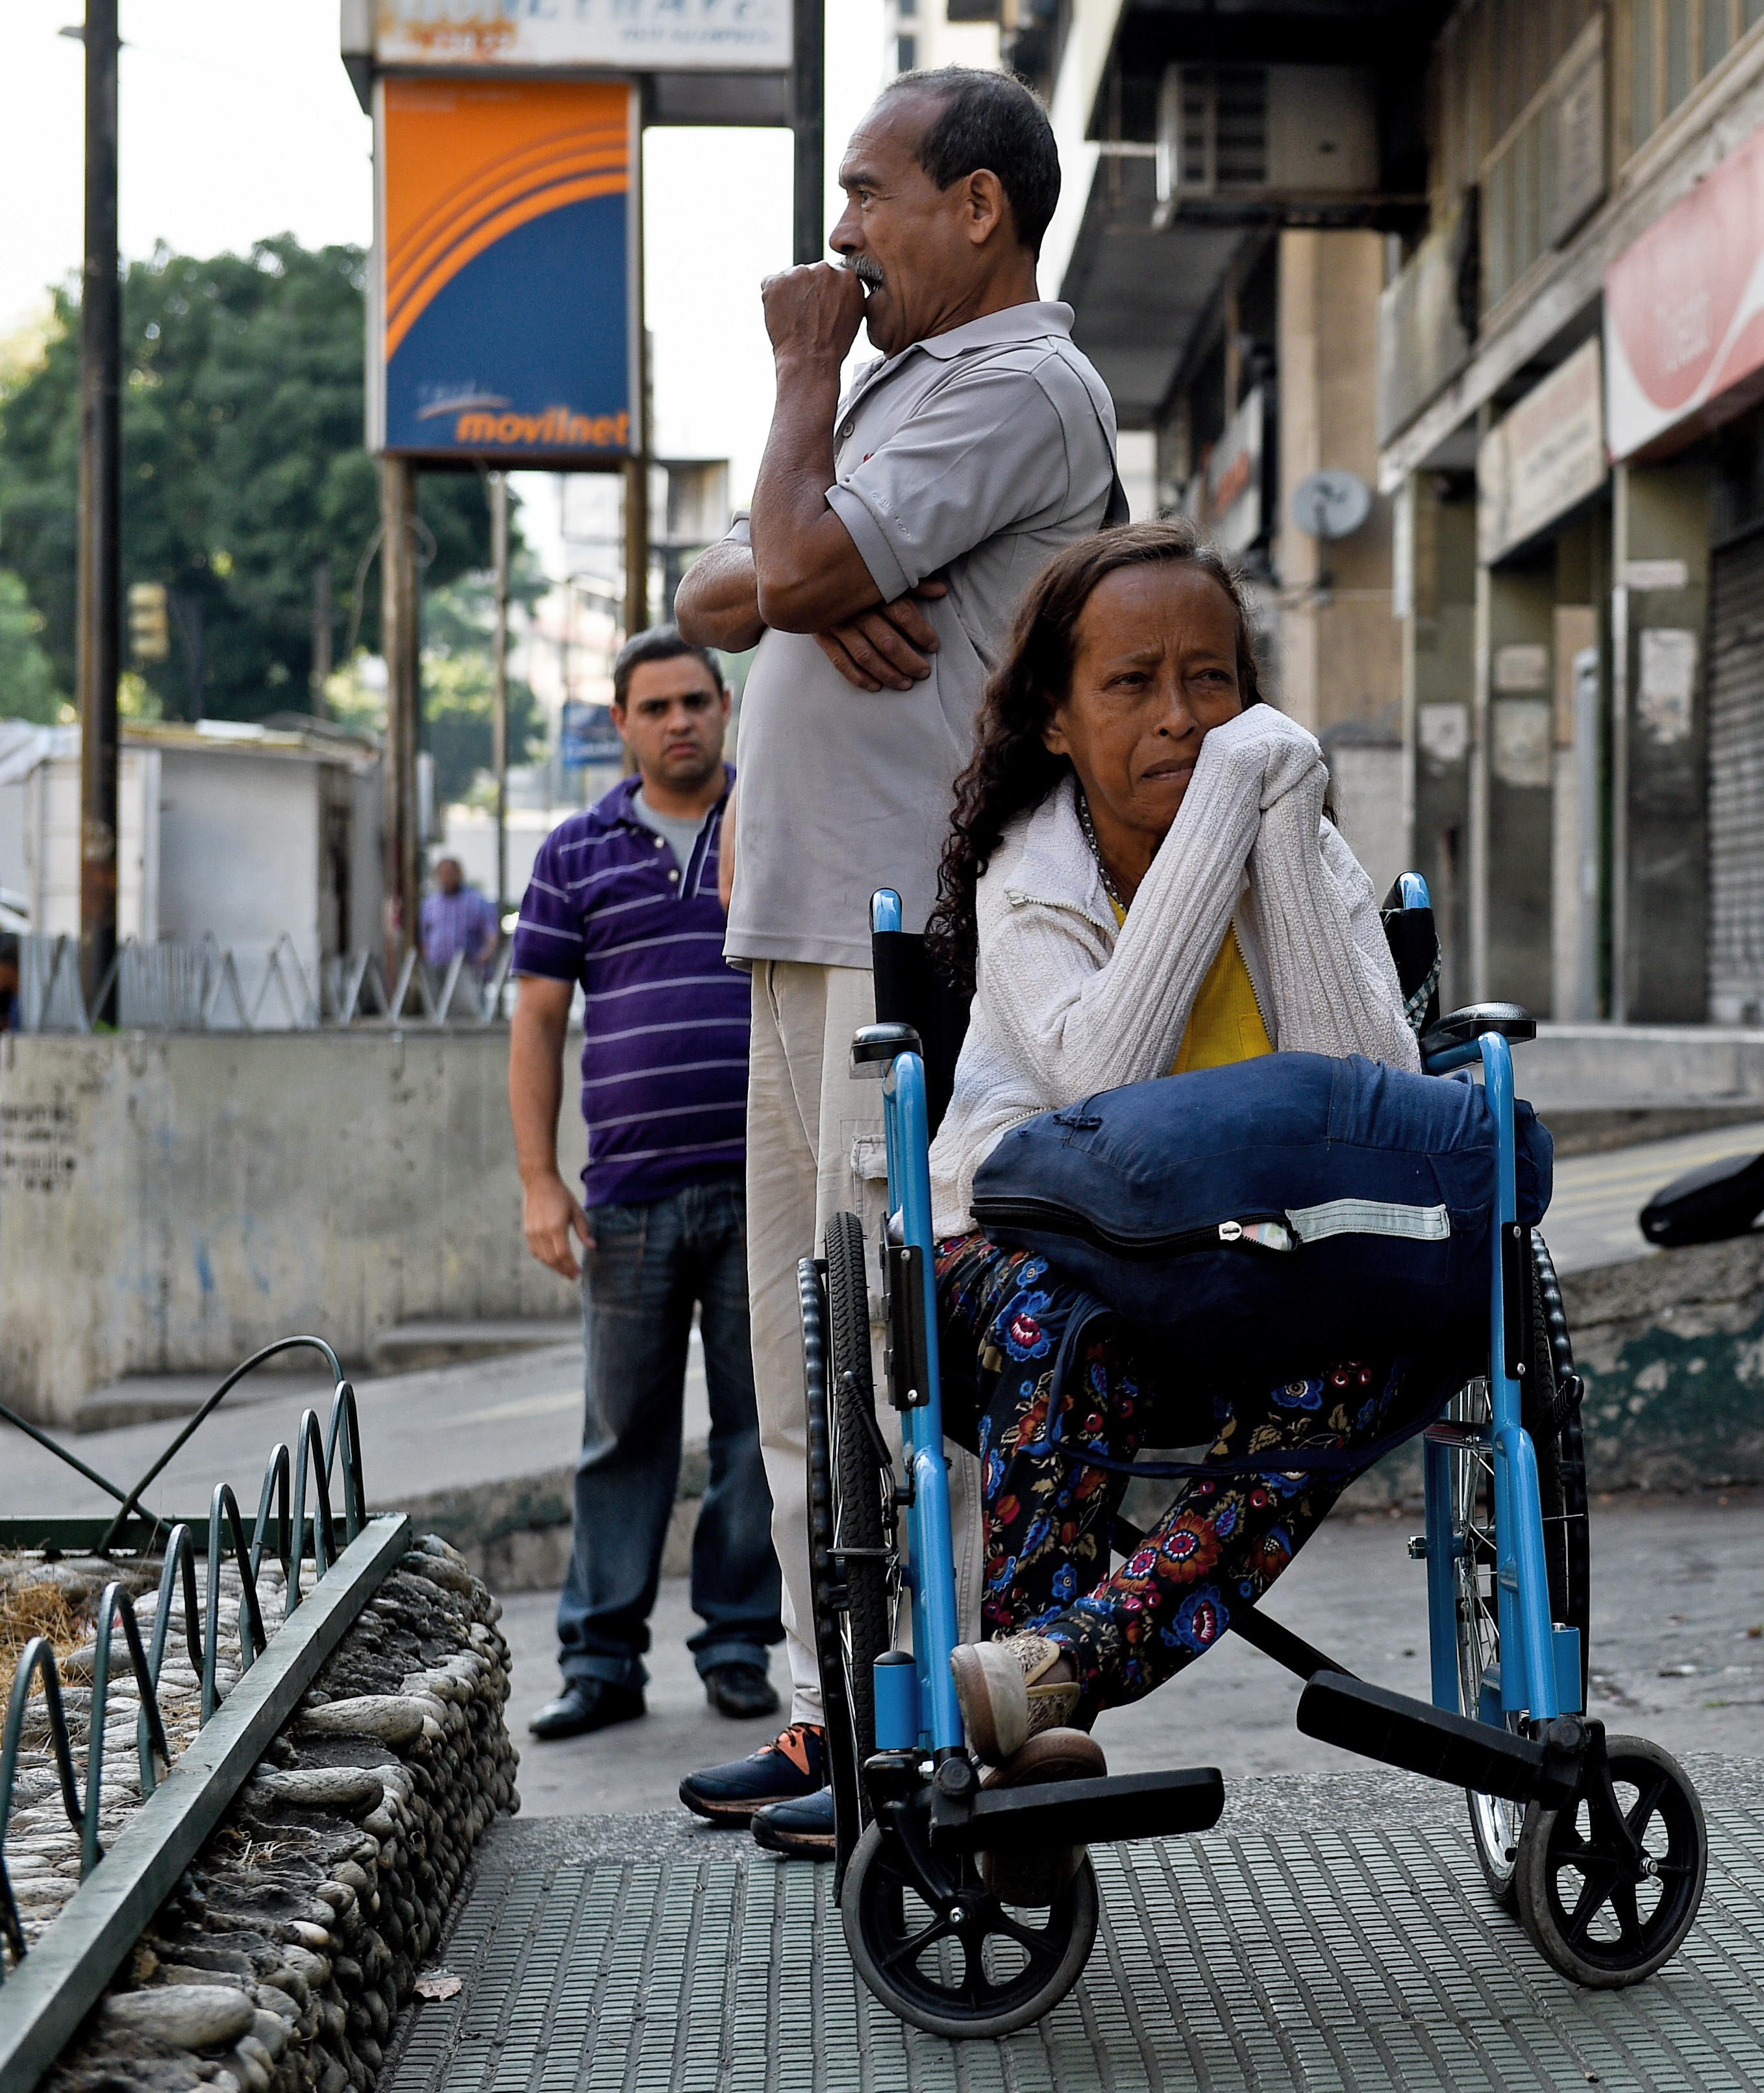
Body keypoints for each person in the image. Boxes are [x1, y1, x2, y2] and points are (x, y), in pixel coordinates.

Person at [671, 68, 1123, 1854]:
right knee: (804, 1363)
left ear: (979, 209)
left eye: (867, 194)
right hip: (798, 932)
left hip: (902, 942)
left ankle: (936, 1713)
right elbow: (720, 582)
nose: (838, 236)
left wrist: (798, 402)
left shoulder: (1015, 382)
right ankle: (827, 1714)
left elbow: (767, 561)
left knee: (890, 1357)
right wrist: (811, 566)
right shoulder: (906, 388)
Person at [910, 521, 1419, 1783]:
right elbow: (1103, 1101)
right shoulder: (1030, 874)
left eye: (1212, 681)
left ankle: (1056, 1667)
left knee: (1400, 1333)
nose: (1183, 720)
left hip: (1253, 1261)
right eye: (1131, 685)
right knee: (1065, 1316)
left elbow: (1373, 1103)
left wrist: (1278, 835)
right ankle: (1041, 1720)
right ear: (1055, 720)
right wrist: (1215, 831)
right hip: (1042, 1250)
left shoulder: (1299, 830)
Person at [508, 629, 781, 1742]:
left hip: (765, 1185)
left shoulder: (771, 828)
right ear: (619, 723)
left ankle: (736, 1644)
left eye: (696, 700)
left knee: (762, 1433)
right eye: (654, 705)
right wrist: (539, 1178)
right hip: (625, 1196)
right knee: (621, 1434)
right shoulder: (575, 852)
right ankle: (601, 1660)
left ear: (727, 706)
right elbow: (537, 1018)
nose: (679, 721)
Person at [419, 857, 498, 974]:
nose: (446, 878)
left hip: (467, 968)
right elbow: (425, 935)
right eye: (442, 874)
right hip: (436, 968)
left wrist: (486, 955)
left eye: (449, 874)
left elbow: (491, 933)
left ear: (459, 874)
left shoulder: (477, 901)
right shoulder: (430, 903)